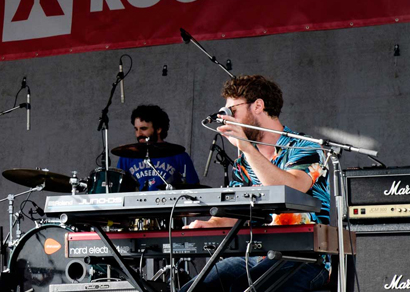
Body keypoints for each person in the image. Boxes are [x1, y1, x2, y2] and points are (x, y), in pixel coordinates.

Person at [179, 75, 330, 292]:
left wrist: (247, 148)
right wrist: (209, 225)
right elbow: (232, 214)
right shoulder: (244, 162)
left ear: (258, 105)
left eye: (232, 110)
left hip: (304, 258)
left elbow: (291, 189)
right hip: (255, 257)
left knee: (245, 288)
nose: (226, 118)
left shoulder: (303, 147)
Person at [115, 105, 199, 191]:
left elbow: (194, 189)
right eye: (136, 129)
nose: (138, 134)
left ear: (158, 129)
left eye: (143, 129)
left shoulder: (179, 156)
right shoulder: (127, 156)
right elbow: (118, 189)